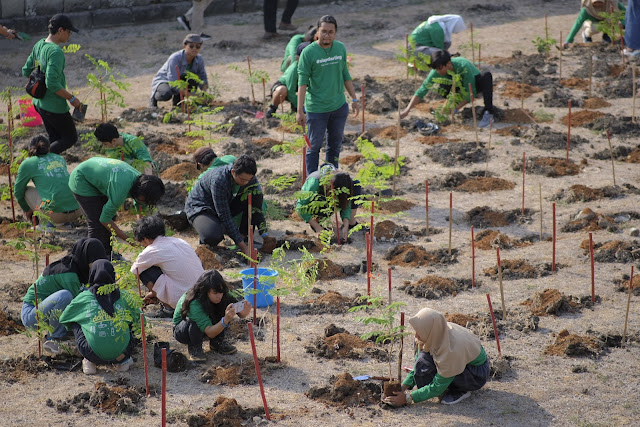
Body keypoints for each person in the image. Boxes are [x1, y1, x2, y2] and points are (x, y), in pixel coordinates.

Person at [385, 308, 490, 407]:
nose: (416, 336)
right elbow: (418, 364)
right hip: (457, 361)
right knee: (422, 361)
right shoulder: (435, 332)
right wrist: (403, 387)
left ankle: (461, 390)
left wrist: (408, 398)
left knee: (439, 375)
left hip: (475, 372)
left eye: (420, 332)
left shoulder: (451, 350)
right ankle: (447, 384)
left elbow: (437, 386)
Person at [21, 238, 107, 355]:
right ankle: (54, 338)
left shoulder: (76, 267)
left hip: (45, 309)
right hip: (32, 314)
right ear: (86, 258)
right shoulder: (69, 274)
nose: (97, 266)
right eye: (95, 261)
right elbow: (79, 305)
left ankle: (62, 330)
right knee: (65, 296)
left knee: (83, 293)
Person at [297, 15, 360, 175]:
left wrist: (354, 98)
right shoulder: (308, 53)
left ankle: (332, 178)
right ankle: (312, 181)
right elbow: (302, 82)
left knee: (335, 144)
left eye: (331, 32)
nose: (327, 35)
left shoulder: (340, 48)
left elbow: (345, 74)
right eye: (323, 31)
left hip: (339, 107)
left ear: (335, 33)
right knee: (314, 146)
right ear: (317, 32)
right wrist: (299, 111)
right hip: (317, 109)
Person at [59, 259, 143, 375]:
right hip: (123, 352)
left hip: (92, 353)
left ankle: (89, 361)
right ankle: (124, 361)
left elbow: (64, 318)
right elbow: (140, 320)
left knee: (76, 319)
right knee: (130, 320)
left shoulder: (84, 297)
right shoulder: (124, 296)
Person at [69, 157, 165, 255]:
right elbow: (105, 219)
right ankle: (93, 258)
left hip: (98, 175)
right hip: (82, 179)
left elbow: (140, 208)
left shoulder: (141, 182)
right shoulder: (120, 191)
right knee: (97, 224)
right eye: (146, 200)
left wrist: (142, 230)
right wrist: (129, 240)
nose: (146, 203)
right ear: (141, 194)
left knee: (109, 219)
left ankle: (107, 253)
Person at [184, 154, 267, 258]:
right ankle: (210, 238)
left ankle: (242, 235)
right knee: (212, 236)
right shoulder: (219, 180)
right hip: (201, 208)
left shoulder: (249, 178)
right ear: (233, 172)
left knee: (254, 196)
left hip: (223, 204)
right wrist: (243, 248)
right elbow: (224, 215)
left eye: (248, 180)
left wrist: (265, 235)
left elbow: (256, 207)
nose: (246, 183)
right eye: (242, 180)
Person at [21, 14, 80, 154]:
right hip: (54, 106)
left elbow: (26, 70)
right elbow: (52, 83)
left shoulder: (39, 44)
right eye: (68, 31)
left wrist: (38, 78)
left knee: (55, 138)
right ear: (60, 30)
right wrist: (72, 99)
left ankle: (49, 171)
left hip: (39, 103)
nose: (69, 35)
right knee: (70, 137)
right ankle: (38, 159)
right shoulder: (55, 52)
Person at [130, 216, 204, 318]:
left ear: (145, 239)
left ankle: (169, 309)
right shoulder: (179, 241)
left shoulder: (152, 250)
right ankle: (166, 299)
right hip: (202, 295)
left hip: (183, 300)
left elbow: (133, 272)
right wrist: (154, 293)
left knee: (144, 270)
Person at [400, 50, 494, 128]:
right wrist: (407, 110)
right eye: (436, 69)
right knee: (443, 86)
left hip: (475, 84)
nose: (438, 71)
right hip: (458, 86)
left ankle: (489, 112)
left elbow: (471, 93)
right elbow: (422, 90)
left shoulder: (463, 66)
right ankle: (453, 102)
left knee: (486, 76)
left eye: (440, 69)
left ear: (448, 64)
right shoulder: (437, 70)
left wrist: (456, 109)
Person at [173, 269, 251, 360]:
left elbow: (239, 313)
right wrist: (225, 320)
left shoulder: (223, 294)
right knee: (193, 323)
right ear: (205, 291)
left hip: (206, 327)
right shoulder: (194, 302)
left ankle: (217, 343)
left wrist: (243, 313)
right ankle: (195, 347)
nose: (219, 296)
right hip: (183, 330)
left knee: (223, 306)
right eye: (215, 293)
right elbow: (210, 333)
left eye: (221, 292)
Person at [14, 135, 82, 227]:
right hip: (78, 210)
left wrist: (27, 209)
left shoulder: (28, 163)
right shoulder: (59, 158)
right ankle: (65, 224)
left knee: (26, 189)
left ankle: (46, 224)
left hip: (54, 215)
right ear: (49, 148)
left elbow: (18, 191)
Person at [295, 165, 361, 241]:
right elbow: (300, 206)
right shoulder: (314, 183)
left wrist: (346, 226)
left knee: (356, 184)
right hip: (315, 202)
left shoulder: (345, 183)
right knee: (320, 200)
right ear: (330, 184)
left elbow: (346, 203)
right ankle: (316, 221)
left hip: (328, 198)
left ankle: (350, 223)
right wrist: (318, 228)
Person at [149, 34, 209, 108]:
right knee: (166, 94)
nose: (194, 49)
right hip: (165, 80)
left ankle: (178, 103)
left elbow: (203, 77)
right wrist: (191, 96)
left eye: (198, 47)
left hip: (180, 80)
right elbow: (173, 82)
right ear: (184, 46)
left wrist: (203, 94)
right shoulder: (175, 58)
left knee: (194, 80)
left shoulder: (199, 59)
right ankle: (153, 99)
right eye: (191, 46)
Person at [268, 41, 310, 117]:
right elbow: (291, 91)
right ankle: (273, 109)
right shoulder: (294, 69)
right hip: (287, 88)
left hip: (299, 89)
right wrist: (300, 108)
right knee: (282, 90)